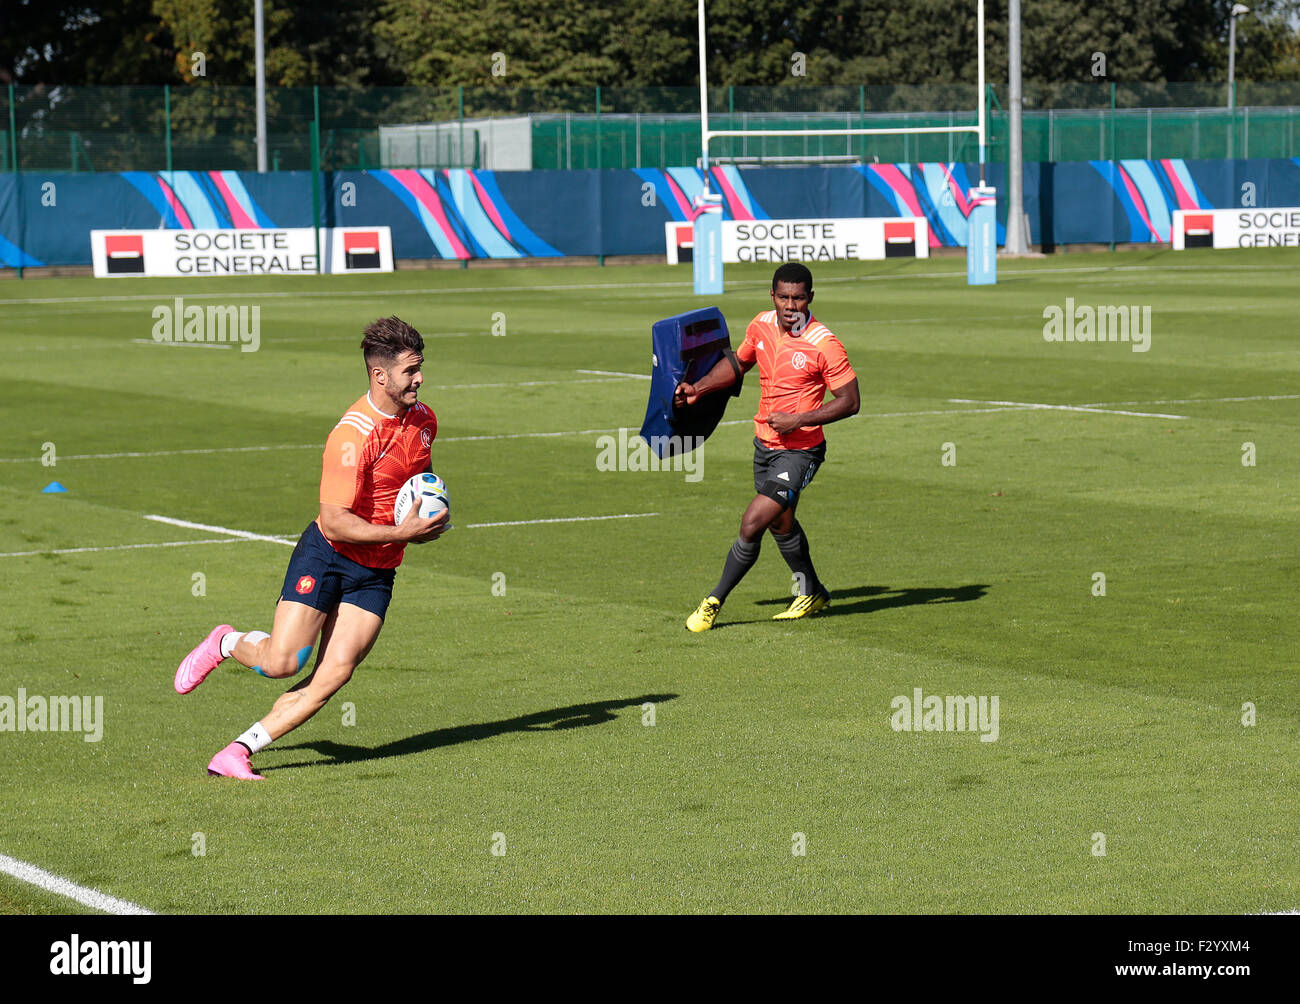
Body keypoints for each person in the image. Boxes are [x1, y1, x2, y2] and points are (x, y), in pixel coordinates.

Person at [173, 316, 449, 779]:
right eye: (410, 371)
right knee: (283, 662)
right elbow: (337, 523)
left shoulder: (424, 421)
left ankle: (237, 751)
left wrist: (426, 508)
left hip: (377, 570)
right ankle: (225, 641)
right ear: (380, 375)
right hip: (328, 556)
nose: (420, 378)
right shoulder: (351, 437)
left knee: (334, 674)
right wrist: (403, 534)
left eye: (421, 368)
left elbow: (414, 483)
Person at [676, 263, 859, 632]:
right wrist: (699, 389)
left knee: (753, 521)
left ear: (810, 297)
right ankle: (812, 592)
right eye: (784, 297)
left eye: (799, 297)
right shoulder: (760, 325)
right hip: (764, 445)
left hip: (801, 451)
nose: (791, 305)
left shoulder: (824, 343)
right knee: (780, 521)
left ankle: (713, 603)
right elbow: (737, 364)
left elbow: (850, 401)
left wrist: (799, 419)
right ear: (772, 295)